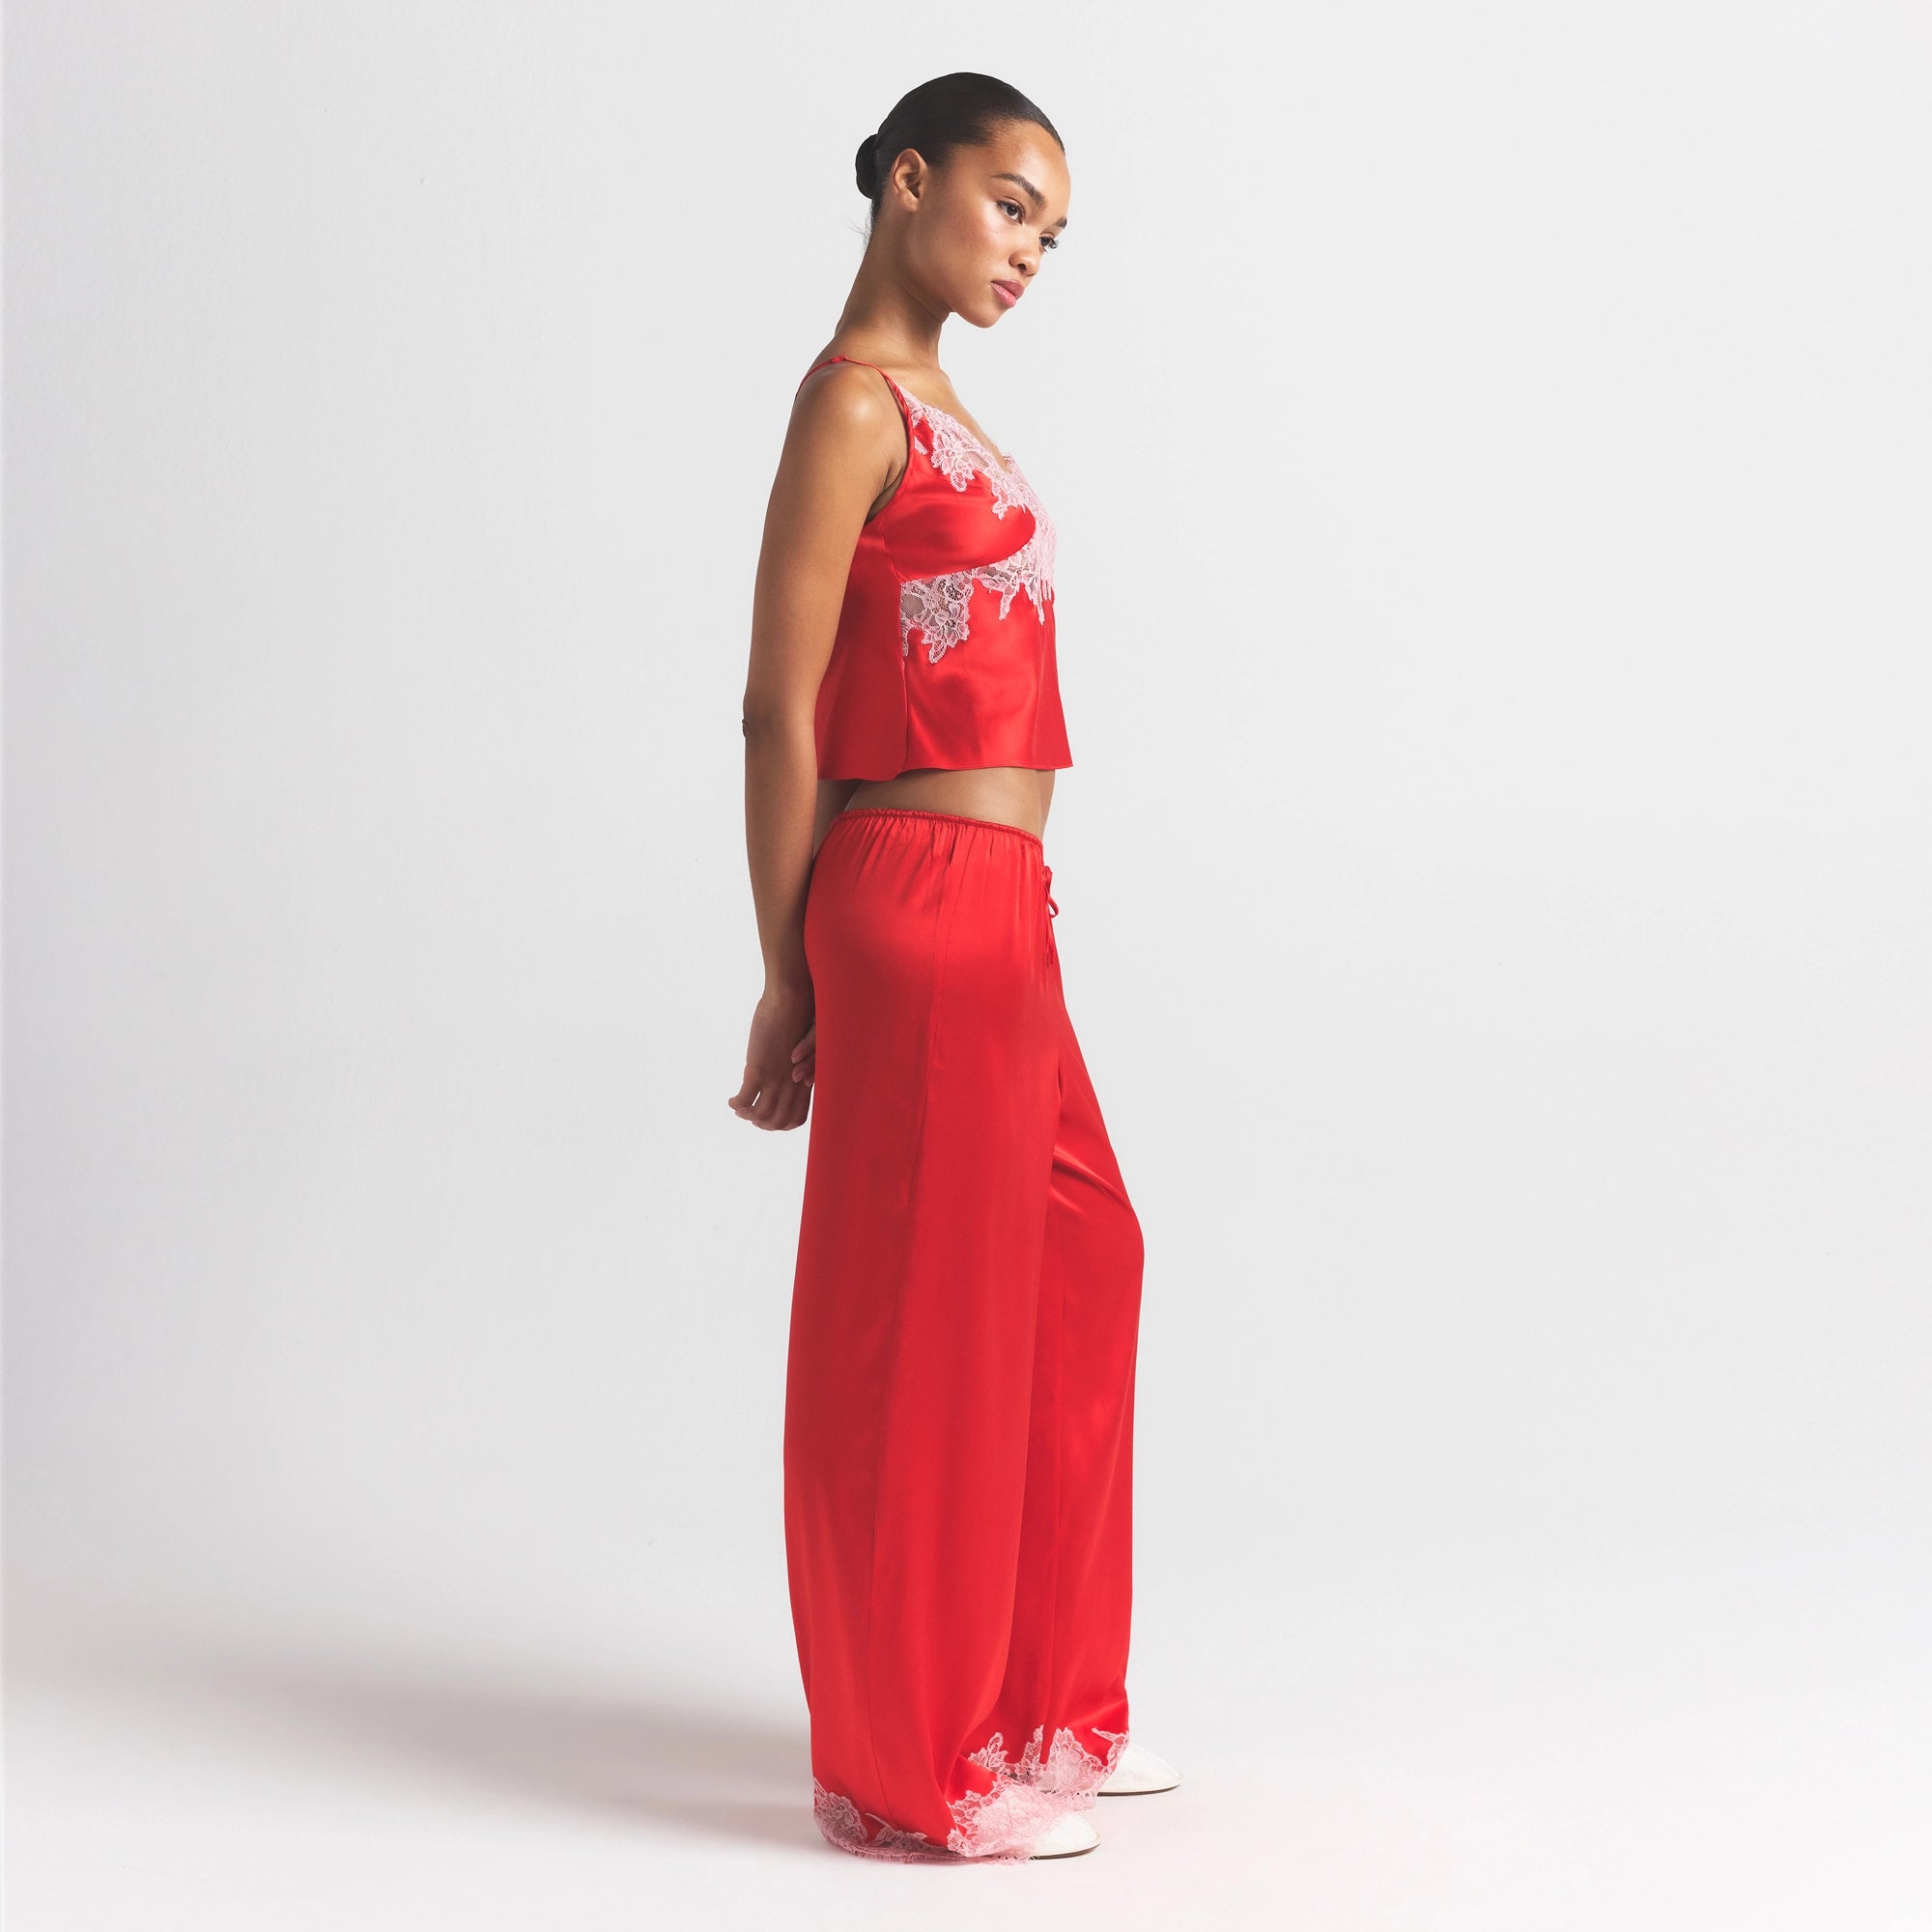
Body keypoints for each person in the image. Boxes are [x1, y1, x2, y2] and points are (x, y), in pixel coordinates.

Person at [729, 71, 1179, 1863]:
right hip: (912, 894)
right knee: (932, 1321)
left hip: (999, 902)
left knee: (1079, 1256)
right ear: (909, 181)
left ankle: (1046, 1704)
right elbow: (777, 706)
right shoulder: (851, 403)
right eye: (1009, 207)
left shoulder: (948, 411)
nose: (1028, 255)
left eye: (1051, 236)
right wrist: (786, 973)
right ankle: (923, 1762)